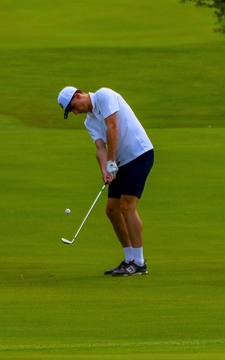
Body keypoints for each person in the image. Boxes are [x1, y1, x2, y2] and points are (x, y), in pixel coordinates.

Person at [58, 86, 154, 277]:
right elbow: (100, 147)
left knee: (127, 206)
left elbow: (113, 127)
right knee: (112, 209)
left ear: (77, 95)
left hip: (139, 154)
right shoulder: (89, 121)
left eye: (73, 107)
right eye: (71, 111)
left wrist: (111, 161)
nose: (75, 112)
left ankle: (140, 262)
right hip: (120, 162)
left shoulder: (104, 95)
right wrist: (105, 170)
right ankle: (129, 260)